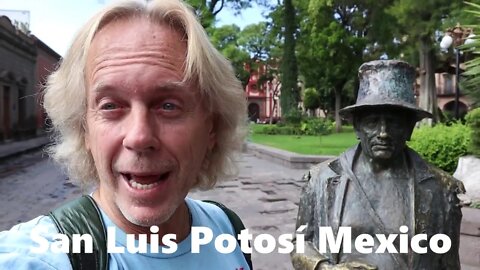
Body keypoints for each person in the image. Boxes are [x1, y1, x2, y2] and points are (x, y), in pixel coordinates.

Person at [0, 0, 251, 269]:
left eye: (168, 105)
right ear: (84, 128)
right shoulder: (40, 257)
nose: (139, 137)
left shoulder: (228, 228)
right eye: (110, 106)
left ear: (211, 127)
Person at [291, 60, 464, 270]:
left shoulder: (441, 189)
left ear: (409, 128)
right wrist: (324, 268)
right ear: (357, 127)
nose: (383, 133)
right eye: (372, 122)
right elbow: (300, 244)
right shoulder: (320, 179)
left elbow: (449, 264)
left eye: (394, 122)